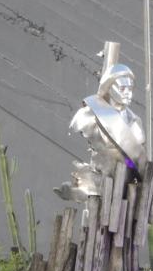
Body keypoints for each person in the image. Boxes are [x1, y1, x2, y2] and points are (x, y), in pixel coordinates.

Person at [54, 62, 146, 202]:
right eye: (122, 88)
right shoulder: (88, 115)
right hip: (99, 180)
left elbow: (137, 161)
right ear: (109, 88)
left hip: (124, 188)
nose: (128, 93)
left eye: (130, 88)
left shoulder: (136, 122)